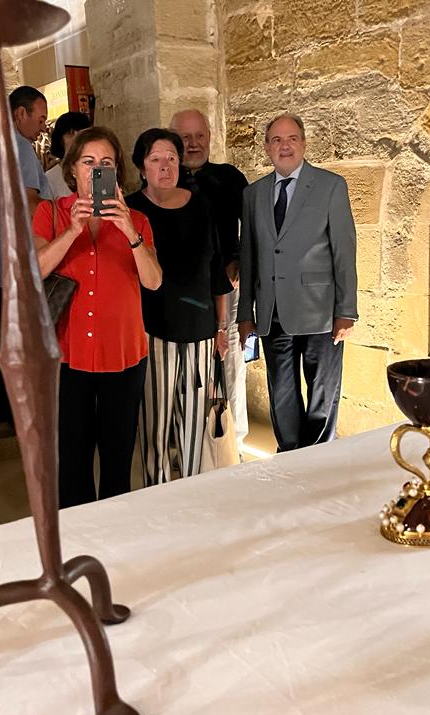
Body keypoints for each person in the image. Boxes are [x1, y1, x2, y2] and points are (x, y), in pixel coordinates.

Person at [30, 127, 161, 507]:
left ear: (116, 171)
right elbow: (34, 270)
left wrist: (129, 231)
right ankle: (78, 530)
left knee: (118, 457)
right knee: (72, 459)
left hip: (123, 354)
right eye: (88, 162)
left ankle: (114, 528)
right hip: (67, 355)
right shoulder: (51, 213)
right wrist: (73, 230)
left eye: (106, 162)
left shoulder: (137, 219)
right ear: (73, 169)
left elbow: (154, 281)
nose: (96, 169)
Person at [238, 113, 358, 452]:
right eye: (276, 140)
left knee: (322, 392)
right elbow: (249, 257)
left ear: (304, 144)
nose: (285, 146)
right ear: (266, 148)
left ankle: (319, 458)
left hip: (321, 312)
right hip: (272, 312)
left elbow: (344, 251)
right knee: (281, 393)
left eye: (291, 138)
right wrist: (245, 313)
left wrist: (346, 310)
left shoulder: (331, 186)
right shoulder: (253, 194)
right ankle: (290, 455)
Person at [126, 128, 231, 484]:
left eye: (171, 158)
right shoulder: (131, 210)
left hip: (200, 331)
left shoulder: (201, 205)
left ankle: (192, 495)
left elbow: (215, 271)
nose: (165, 166)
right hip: (153, 331)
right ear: (142, 167)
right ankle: (156, 496)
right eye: (155, 159)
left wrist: (221, 327)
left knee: (195, 429)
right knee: (155, 429)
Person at [0, 85, 53, 424]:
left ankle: (2, 400)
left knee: (4, 329)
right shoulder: (18, 146)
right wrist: (63, 218)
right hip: (19, 258)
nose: (43, 128)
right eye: (40, 119)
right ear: (20, 114)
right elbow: (32, 205)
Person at [170, 109, 250, 451]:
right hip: (182, 291)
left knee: (230, 362)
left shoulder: (229, 178)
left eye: (199, 136)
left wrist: (240, 261)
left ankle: (234, 444)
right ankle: (189, 443)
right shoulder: (163, 179)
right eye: (185, 137)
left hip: (226, 287)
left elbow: (255, 227)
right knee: (185, 367)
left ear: (209, 138)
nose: (193, 144)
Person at [45, 111, 91, 199]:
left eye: (81, 133)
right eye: (71, 133)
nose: (76, 138)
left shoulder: (94, 172)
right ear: (60, 140)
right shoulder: (50, 178)